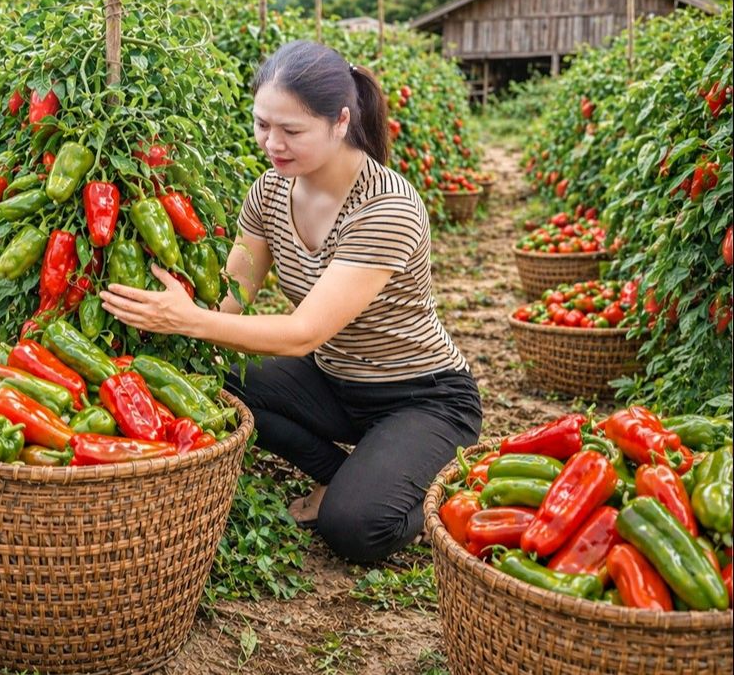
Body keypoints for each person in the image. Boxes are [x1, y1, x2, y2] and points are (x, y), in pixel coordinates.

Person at [98, 40, 482, 564]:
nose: (272, 144)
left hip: (420, 396)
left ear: (341, 122)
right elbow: (230, 301)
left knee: (354, 528)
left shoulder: (387, 208)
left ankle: (429, 494)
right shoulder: (270, 192)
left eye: (292, 131)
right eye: (262, 125)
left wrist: (188, 321)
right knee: (217, 379)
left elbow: (304, 332)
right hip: (334, 383)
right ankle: (349, 474)